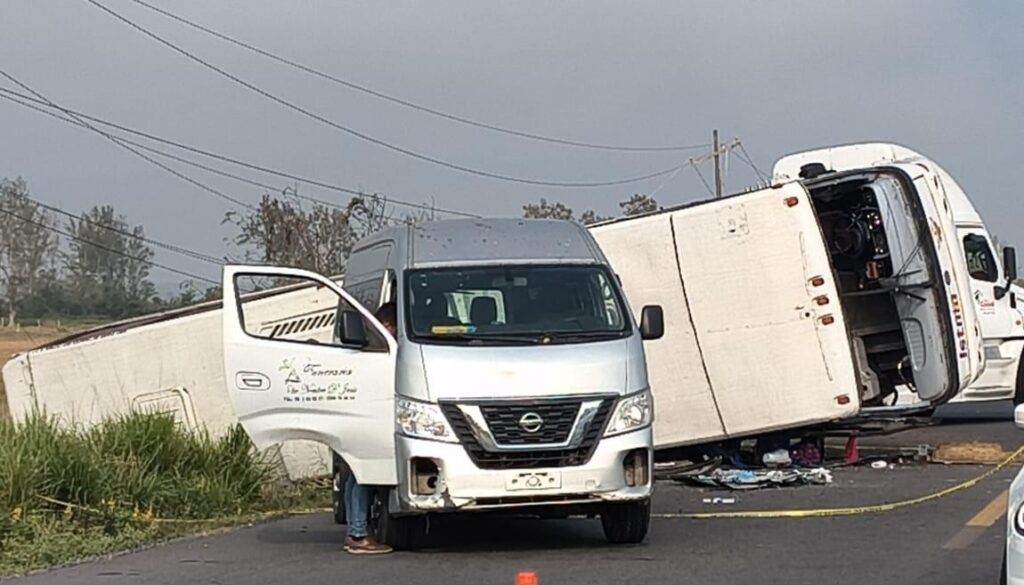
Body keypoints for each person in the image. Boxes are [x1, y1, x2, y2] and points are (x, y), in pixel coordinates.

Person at [341, 302, 398, 555]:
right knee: (364, 474)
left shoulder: (362, 345)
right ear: (387, 325)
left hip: (355, 415)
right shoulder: (378, 349)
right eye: (394, 327)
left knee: (356, 475)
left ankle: (355, 530)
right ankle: (358, 534)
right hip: (367, 417)